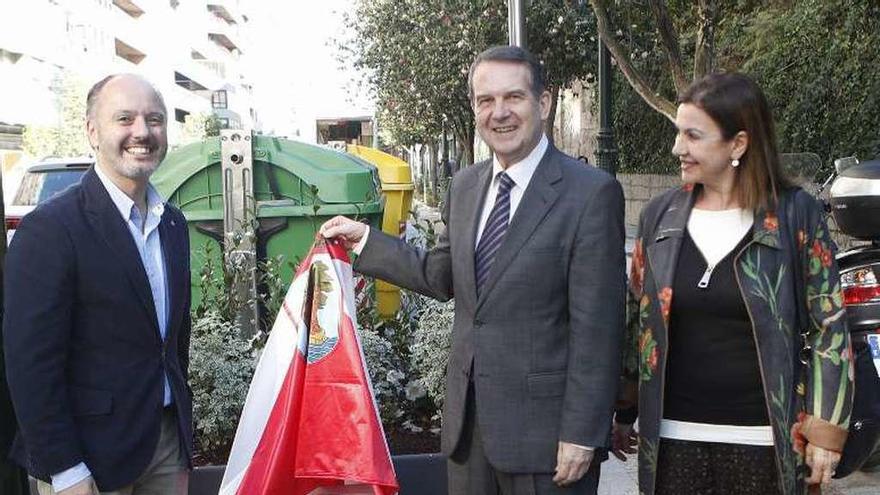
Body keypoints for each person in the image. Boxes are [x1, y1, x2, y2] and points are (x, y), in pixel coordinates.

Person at [321, 45, 626, 495]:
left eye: (513, 98)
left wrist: (583, 432)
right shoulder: (465, 186)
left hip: (548, 442)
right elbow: (441, 275)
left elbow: (598, 329)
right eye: (486, 101)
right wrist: (365, 240)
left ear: (543, 103)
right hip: (469, 435)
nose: (499, 113)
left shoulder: (590, 194)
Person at [612, 72, 853, 495]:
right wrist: (624, 410)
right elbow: (639, 321)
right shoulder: (659, 218)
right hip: (673, 441)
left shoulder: (795, 216)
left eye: (692, 135)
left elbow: (829, 326)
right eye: (677, 133)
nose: (677, 148)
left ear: (738, 144)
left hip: (765, 442)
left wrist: (824, 431)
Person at [3, 74, 192, 495]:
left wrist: (180, 442)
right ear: (92, 130)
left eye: (154, 119)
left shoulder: (173, 224)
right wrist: (65, 468)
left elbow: (174, 343)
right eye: (124, 118)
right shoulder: (49, 229)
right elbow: (30, 364)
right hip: (86, 459)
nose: (142, 132)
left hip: (163, 446)